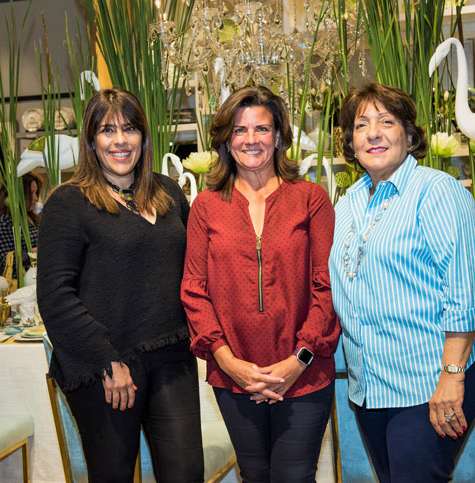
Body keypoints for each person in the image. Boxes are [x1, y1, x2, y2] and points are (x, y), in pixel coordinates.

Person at [328, 82, 475, 482]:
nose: (373, 133)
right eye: (361, 124)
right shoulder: (345, 205)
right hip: (372, 385)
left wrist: (451, 377)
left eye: (386, 122)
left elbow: (466, 291)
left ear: (408, 133)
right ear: (350, 142)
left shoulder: (436, 191)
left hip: (432, 376)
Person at [37, 88, 204, 483]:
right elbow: (56, 297)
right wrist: (107, 362)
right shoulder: (68, 203)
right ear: (91, 141)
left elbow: (198, 268)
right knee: (112, 474)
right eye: (107, 130)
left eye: (129, 129)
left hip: (173, 355)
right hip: (106, 365)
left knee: (186, 473)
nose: (120, 140)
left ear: (144, 137)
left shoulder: (167, 192)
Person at [181, 86, 340, 482]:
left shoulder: (311, 199)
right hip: (233, 377)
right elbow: (194, 289)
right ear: (225, 140)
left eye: (262, 129)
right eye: (239, 130)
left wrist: (297, 362)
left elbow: (328, 288)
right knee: (253, 476)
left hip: (304, 375)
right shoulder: (205, 206)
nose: (251, 139)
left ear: (279, 136)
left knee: (294, 477)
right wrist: (227, 361)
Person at [0, 173, 41, 278]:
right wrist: (38, 251)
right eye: (31, 193)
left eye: (36, 192)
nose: (36, 198)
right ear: (17, 196)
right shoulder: (3, 223)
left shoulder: (34, 218)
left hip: (35, 279)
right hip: (17, 284)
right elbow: (6, 259)